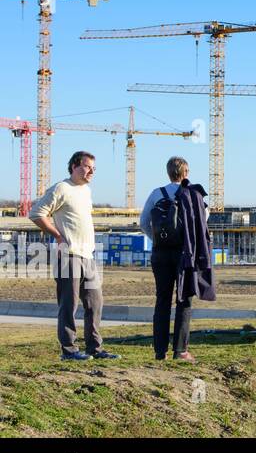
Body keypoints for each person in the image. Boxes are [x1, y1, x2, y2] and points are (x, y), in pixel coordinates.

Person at [29, 151, 119, 361]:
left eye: (93, 168)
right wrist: (58, 235)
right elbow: (36, 213)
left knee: (95, 303)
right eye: (87, 167)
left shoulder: (86, 191)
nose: (91, 172)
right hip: (67, 255)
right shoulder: (62, 188)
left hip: (88, 255)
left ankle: (94, 349)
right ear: (74, 166)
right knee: (69, 304)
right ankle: (69, 351)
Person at [140, 156, 214, 360]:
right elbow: (202, 223)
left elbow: (144, 222)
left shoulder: (157, 193)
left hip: (160, 254)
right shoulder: (194, 194)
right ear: (186, 173)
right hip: (185, 253)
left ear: (168, 172)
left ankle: (159, 351)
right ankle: (180, 350)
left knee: (162, 300)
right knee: (184, 300)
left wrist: (159, 240)